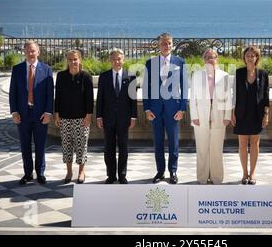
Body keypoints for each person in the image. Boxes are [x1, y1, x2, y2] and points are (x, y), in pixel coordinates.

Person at [143, 33, 187, 184]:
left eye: (169, 43)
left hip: (173, 110)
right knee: (158, 142)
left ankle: (173, 171)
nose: (166, 46)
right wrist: (147, 109)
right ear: (159, 45)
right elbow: (146, 88)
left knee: (173, 142)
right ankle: (160, 171)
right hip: (155, 111)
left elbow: (184, 86)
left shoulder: (180, 62)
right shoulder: (150, 63)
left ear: (172, 44)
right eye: (163, 43)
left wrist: (182, 109)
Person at [9, 40, 54, 185]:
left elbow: (49, 93)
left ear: (38, 52)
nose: (30, 53)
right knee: (25, 146)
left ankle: (40, 173)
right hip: (23, 114)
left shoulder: (47, 69)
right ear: (24, 52)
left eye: (33, 50)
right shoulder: (17, 69)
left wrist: (48, 112)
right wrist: (14, 112)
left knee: (40, 145)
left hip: (40, 115)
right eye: (28, 50)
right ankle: (28, 174)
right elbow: (13, 93)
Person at [190, 49, 232, 184]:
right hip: (200, 117)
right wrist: (194, 116)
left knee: (216, 149)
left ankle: (217, 177)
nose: (210, 59)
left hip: (219, 117)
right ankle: (202, 178)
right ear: (203, 60)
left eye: (213, 57)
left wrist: (227, 116)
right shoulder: (197, 75)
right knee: (201, 149)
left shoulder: (224, 76)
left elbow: (228, 98)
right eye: (207, 57)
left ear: (217, 59)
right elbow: (192, 99)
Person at [97, 48, 137, 184]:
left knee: (123, 147)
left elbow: (133, 99)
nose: (116, 62)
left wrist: (133, 117)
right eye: (114, 59)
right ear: (110, 60)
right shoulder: (104, 76)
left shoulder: (131, 77)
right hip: (108, 118)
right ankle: (111, 175)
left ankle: (122, 175)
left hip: (124, 118)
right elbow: (100, 98)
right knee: (109, 148)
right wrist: (99, 117)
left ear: (123, 60)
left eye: (119, 59)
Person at [54, 50, 93, 184]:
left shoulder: (86, 77)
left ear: (80, 60)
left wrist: (88, 116)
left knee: (81, 145)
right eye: (70, 59)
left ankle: (81, 171)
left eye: (75, 59)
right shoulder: (61, 76)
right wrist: (57, 113)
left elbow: (89, 98)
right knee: (66, 145)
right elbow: (57, 96)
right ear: (67, 61)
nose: (73, 62)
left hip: (81, 118)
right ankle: (69, 171)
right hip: (65, 117)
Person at [231, 46, 269, 185]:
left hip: (257, 114)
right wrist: (232, 112)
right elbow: (234, 94)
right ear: (244, 57)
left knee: (254, 143)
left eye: (253, 55)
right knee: (242, 144)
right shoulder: (239, 73)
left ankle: (252, 173)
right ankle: (244, 173)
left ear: (257, 57)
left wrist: (266, 114)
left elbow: (266, 96)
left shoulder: (263, 74)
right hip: (241, 113)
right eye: (247, 55)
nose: (250, 57)